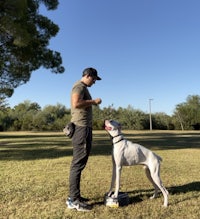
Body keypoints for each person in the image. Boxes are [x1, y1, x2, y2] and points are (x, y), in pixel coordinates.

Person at [66, 67, 102, 211]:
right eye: (94, 79)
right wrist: (93, 101)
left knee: (80, 163)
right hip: (81, 129)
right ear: (87, 76)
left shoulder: (82, 87)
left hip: (83, 128)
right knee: (78, 163)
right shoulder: (79, 86)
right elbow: (76, 103)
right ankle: (73, 200)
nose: (94, 82)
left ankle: (75, 196)